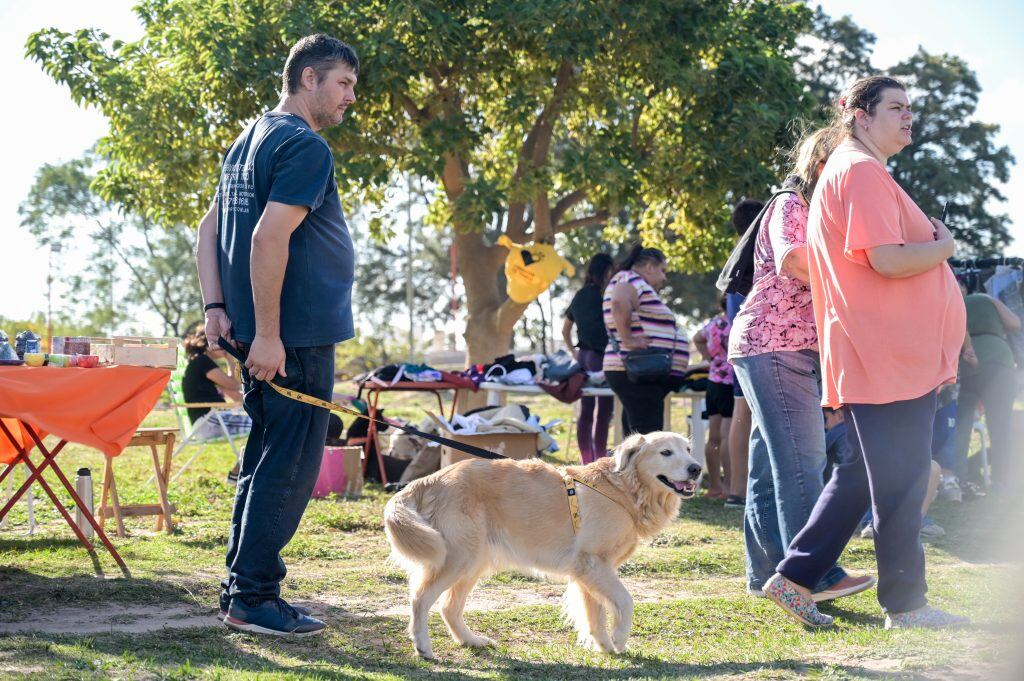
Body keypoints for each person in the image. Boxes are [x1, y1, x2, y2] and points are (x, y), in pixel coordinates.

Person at [762, 76, 969, 630]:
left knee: (860, 474)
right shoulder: (859, 170)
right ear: (858, 115)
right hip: (886, 357)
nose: (908, 117)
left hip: (883, 355)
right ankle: (906, 606)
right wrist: (944, 246)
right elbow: (887, 260)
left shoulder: (859, 169)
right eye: (896, 108)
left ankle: (795, 576)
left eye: (910, 108)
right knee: (901, 483)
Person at [194, 34, 359, 637]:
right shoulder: (303, 144)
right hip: (294, 339)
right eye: (343, 84)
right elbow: (267, 238)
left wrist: (215, 306)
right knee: (288, 465)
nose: (348, 99)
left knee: (267, 458)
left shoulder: (246, 142)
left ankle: (242, 588)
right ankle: (255, 597)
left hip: (267, 335)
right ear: (309, 77)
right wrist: (268, 335)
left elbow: (208, 229)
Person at [728, 129, 873, 604]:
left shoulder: (812, 210)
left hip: (772, 346)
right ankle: (816, 575)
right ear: (820, 165)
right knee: (802, 464)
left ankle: (766, 575)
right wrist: (868, 272)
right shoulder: (792, 203)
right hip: (776, 345)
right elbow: (794, 259)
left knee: (769, 470)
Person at [602, 245, 688, 434]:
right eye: (662, 270)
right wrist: (628, 339)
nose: (664, 277)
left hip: (642, 372)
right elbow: (619, 301)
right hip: (637, 370)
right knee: (647, 438)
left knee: (638, 436)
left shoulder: (635, 282)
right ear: (649, 266)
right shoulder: (628, 279)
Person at [951, 279, 1020, 490]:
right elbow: (1015, 323)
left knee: (961, 425)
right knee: (1000, 423)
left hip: (968, 364)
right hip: (1000, 361)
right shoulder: (984, 298)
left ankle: (957, 477)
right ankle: (1001, 478)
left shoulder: (950, 304)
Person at [725, 199, 763, 509]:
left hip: (738, 350)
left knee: (741, 419)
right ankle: (749, 491)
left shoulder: (735, 258)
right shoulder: (758, 258)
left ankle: (737, 490)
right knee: (755, 422)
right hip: (760, 348)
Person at [562, 253, 615, 464]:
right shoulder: (607, 295)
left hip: (583, 358)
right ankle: (599, 462)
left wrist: (574, 353)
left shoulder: (580, 295)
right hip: (602, 358)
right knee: (604, 413)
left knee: (585, 413)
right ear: (605, 271)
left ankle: (586, 462)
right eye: (611, 270)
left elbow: (565, 330)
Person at [181, 328, 250, 482]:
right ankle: (238, 471)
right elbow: (233, 384)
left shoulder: (203, 364)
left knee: (262, 425)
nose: (225, 346)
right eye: (222, 343)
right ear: (208, 344)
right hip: (210, 420)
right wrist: (230, 357)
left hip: (210, 421)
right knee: (263, 427)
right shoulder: (202, 361)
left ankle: (240, 468)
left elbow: (233, 392)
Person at [692, 296, 733, 499]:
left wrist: (710, 357)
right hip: (731, 383)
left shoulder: (714, 323)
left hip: (713, 382)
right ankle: (730, 487)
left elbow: (697, 338)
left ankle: (714, 486)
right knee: (728, 437)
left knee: (713, 438)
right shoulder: (737, 320)